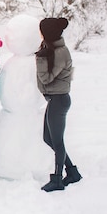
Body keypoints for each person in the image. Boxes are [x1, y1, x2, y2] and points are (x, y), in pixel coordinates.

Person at [35, 17, 82, 192]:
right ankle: (72, 172)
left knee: (57, 141)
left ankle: (57, 180)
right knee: (48, 139)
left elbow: (46, 78)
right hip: (55, 100)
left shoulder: (59, 52)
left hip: (59, 100)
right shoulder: (53, 49)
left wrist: (40, 60)